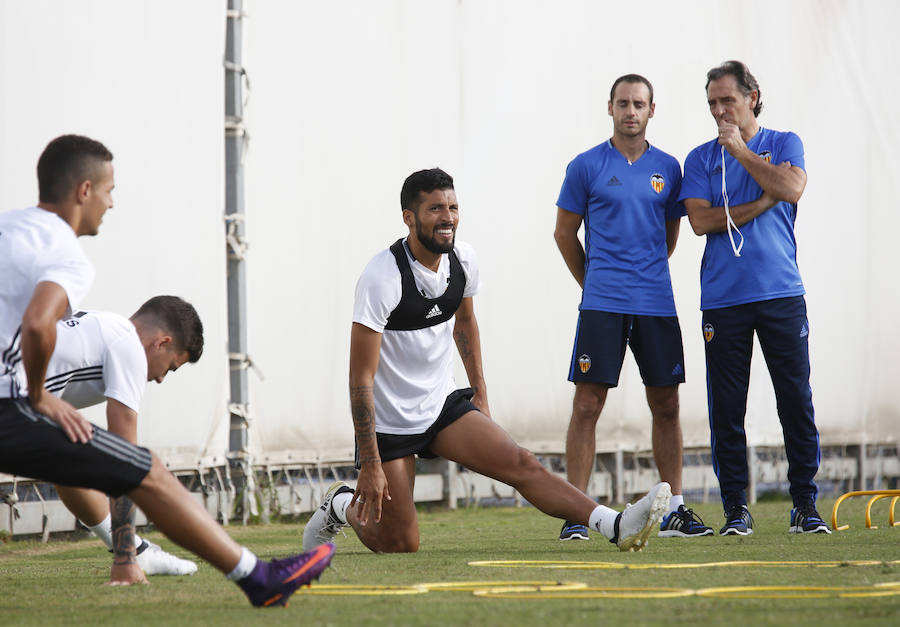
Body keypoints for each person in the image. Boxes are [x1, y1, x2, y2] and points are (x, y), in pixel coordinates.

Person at [0, 134, 333, 606]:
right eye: (109, 191)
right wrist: (38, 396)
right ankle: (258, 577)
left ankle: (146, 552)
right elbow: (37, 325)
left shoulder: (8, 228)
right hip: (6, 406)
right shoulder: (70, 260)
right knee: (145, 468)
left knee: (74, 456)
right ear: (84, 191)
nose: (112, 203)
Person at [303, 168, 671, 555]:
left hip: (441, 406)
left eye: (453, 207)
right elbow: (359, 378)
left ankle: (614, 524)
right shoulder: (381, 278)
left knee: (521, 463)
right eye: (434, 209)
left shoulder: (463, 260)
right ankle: (340, 505)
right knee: (399, 543)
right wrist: (372, 462)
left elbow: (465, 322)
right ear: (408, 218)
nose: (447, 217)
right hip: (391, 423)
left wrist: (479, 395)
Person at [553, 74, 712, 541]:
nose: (630, 111)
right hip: (602, 305)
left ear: (651, 110)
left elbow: (669, 237)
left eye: (638, 103)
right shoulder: (585, 165)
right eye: (622, 103)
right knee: (587, 404)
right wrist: (595, 282)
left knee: (666, 404)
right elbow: (565, 235)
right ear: (610, 108)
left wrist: (640, 277)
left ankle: (675, 510)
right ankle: (576, 514)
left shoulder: (670, 167)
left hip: (656, 305)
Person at [679, 61, 829, 535]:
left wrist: (742, 152)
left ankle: (804, 503)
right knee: (727, 409)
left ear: (753, 98)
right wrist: (763, 201)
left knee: (795, 400)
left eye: (728, 100)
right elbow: (700, 222)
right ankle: (735, 510)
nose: (719, 111)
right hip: (723, 299)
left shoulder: (784, 143)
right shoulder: (700, 158)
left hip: (781, 292)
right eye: (712, 103)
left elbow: (793, 188)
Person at [47, 296, 207, 576]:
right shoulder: (129, 346)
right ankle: (131, 553)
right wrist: (125, 562)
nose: (160, 379)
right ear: (162, 343)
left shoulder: (103, 326)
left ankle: (135, 549)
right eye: (170, 368)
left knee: (67, 446)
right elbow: (123, 459)